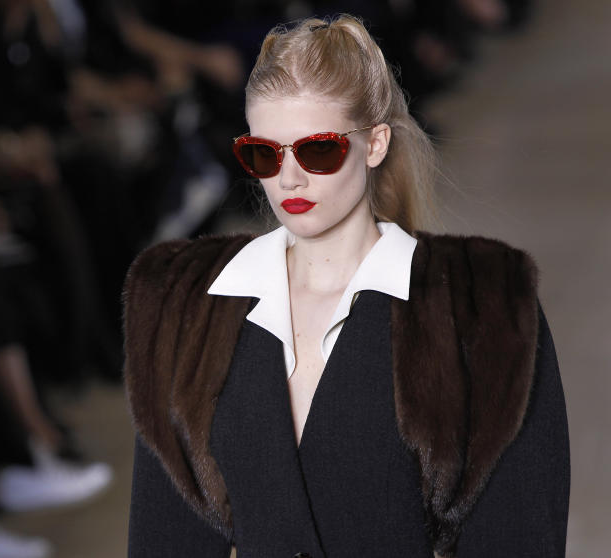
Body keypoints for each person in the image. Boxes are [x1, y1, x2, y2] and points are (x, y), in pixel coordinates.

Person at [123, 14, 569, 558]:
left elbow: (519, 533)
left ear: (376, 143)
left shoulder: (486, 309)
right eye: (265, 153)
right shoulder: (185, 308)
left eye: (318, 150)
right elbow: (165, 539)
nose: (289, 178)